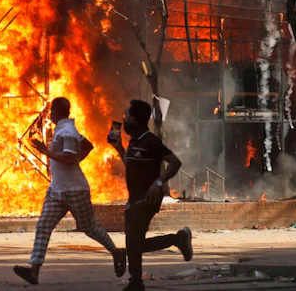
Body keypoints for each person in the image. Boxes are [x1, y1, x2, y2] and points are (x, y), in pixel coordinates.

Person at [13, 97, 127, 285]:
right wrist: (76, 160)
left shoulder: (68, 132)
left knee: (89, 227)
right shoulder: (64, 129)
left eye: (51, 112)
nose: (49, 115)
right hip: (57, 190)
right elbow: (88, 146)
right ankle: (34, 271)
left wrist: (45, 151)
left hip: (75, 190)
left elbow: (67, 158)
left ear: (56, 113)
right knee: (43, 226)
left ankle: (117, 252)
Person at [109, 99, 193, 291]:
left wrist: (158, 182)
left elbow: (174, 162)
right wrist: (119, 149)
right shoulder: (133, 143)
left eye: (128, 116)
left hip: (147, 199)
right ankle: (177, 239)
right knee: (134, 244)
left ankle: (136, 283)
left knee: (133, 242)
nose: (125, 118)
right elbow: (132, 165)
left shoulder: (151, 141)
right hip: (133, 199)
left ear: (137, 120)